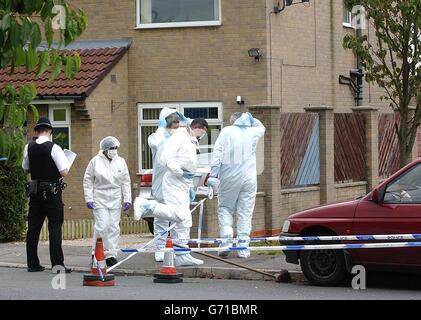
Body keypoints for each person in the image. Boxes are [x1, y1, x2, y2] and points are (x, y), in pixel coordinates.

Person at [134, 118, 209, 266]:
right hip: (174, 180)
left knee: (185, 220)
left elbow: (188, 162)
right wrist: (180, 172)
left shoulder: (189, 140)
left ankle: (182, 254)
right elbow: (165, 158)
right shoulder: (180, 137)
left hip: (182, 183)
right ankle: (147, 206)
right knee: (180, 215)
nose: (201, 136)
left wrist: (189, 187)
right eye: (202, 132)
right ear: (198, 127)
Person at [208, 112, 265, 258]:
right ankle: (243, 248)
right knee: (245, 212)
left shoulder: (227, 131)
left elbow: (217, 155)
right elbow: (261, 126)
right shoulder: (253, 132)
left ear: (233, 121)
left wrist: (213, 176)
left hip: (229, 176)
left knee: (225, 208)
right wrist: (250, 118)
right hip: (250, 178)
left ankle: (226, 242)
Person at [22, 117, 72, 273]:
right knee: (55, 228)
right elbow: (64, 172)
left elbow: (25, 169)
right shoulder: (54, 148)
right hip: (52, 193)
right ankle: (57, 265)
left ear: (37, 131)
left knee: (33, 229)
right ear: (50, 131)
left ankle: (32, 264)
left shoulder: (28, 147)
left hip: (35, 191)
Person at [83, 136, 132, 267]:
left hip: (115, 197)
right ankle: (96, 252)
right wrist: (89, 198)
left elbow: (125, 181)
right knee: (102, 225)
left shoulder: (120, 161)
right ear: (105, 149)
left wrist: (127, 199)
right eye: (112, 148)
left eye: (116, 148)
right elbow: (88, 180)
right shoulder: (95, 162)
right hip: (100, 197)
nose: (114, 150)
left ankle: (110, 255)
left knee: (113, 227)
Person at [148, 107, 186, 262]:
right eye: (173, 123)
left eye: (177, 124)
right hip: (161, 184)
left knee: (178, 218)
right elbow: (160, 147)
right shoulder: (156, 137)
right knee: (162, 218)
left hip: (177, 184)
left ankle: (178, 249)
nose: (176, 127)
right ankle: (160, 248)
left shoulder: (180, 137)